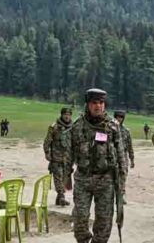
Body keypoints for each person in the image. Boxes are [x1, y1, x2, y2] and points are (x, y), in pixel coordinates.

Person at [71, 88, 125, 243]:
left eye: (101, 103)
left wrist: (122, 179)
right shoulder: (78, 126)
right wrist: (67, 173)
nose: (98, 106)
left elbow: (121, 154)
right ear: (88, 104)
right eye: (94, 103)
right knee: (80, 218)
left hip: (105, 179)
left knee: (104, 221)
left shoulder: (113, 126)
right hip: (83, 178)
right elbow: (70, 151)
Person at [43, 107, 73, 206]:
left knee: (64, 179)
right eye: (65, 115)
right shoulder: (54, 127)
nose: (67, 117)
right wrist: (47, 152)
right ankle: (61, 196)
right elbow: (47, 141)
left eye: (69, 115)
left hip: (68, 159)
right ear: (62, 115)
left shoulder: (73, 128)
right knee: (58, 177)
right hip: (56, 158)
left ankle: (58, 199)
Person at [113, 110, 134, 205]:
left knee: (123, 176)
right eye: (117, 117)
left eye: (121, 117)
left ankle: (121, 195)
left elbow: (130, 146)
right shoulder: (109, 129)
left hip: (123, 156)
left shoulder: (126, 131)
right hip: (112, 155)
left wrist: (132, 159)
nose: (119, 119)